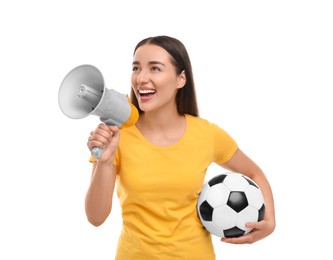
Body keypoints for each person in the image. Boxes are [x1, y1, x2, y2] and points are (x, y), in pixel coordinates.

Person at [85, 35, 275, 259]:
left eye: (155, 68)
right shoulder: (118, 136)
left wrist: (269, 222)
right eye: (136, 68)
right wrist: (104, 161)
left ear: (180, 79)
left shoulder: (207, 134)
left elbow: (254, 173)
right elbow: (96, 217)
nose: (141, 78)